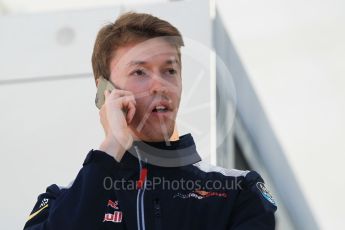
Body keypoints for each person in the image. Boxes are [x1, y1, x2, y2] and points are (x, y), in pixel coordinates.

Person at [23, 12, 277, 230]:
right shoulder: (60, 199)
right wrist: (112, 144)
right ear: (105, 91)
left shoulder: (239, 190)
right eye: (140, 72)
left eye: (170, 71)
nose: (160, 85)